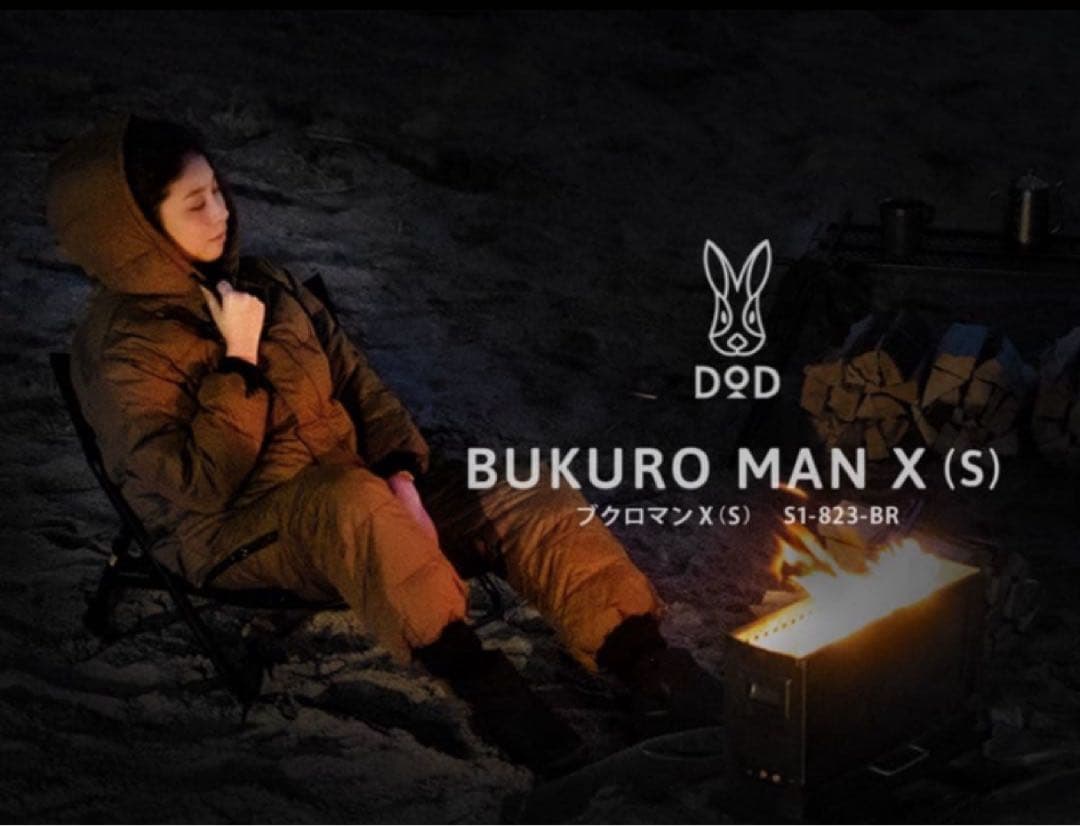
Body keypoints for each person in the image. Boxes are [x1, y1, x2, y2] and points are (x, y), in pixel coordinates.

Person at [45, 112, 722, 775]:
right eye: (195, 204)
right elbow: (198, 484)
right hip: (236, 531)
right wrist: (240, 361)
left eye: (217, 189)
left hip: (357, 489)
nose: (221, 212)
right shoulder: (122, 349)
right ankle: (485, 687)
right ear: (137, 229)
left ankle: (643, 661)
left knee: (529, 488)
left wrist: (403, 476)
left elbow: (362, 388)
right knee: (350, 501)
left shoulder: (267, 283)